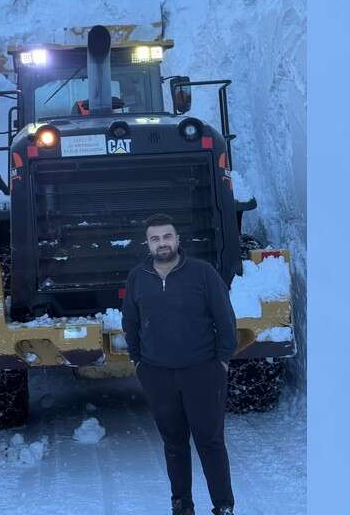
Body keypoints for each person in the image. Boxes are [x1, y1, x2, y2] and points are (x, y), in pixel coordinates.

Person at [122, 213, 238, 515]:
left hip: (203, 372)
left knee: (210, 442)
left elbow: (225, 319)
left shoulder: (203, 273)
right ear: (148, 244)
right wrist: (138, 362)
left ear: (177, 239)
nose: (162, 243)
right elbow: (130, 322)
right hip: (157, 375)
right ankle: (182, 506)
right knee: (174, 444)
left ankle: (223, 506)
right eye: (155, 238)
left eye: (167, 236)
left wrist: (221, 362)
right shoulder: (137, 277)